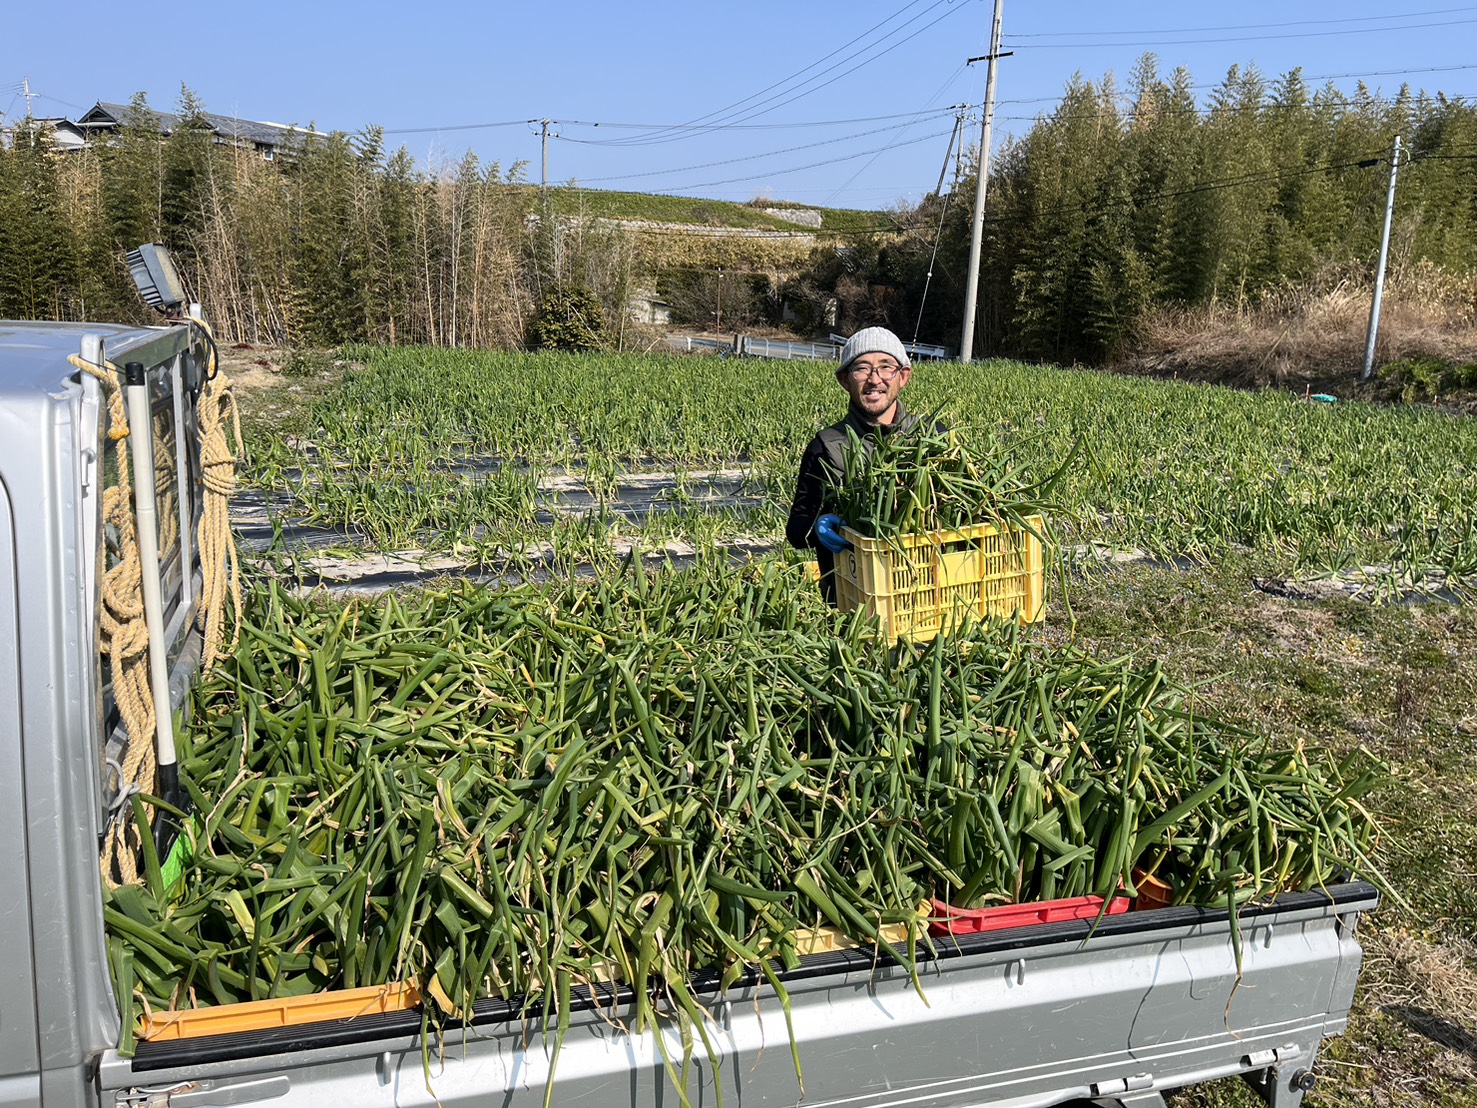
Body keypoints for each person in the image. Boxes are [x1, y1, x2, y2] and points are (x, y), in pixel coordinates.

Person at [786, 326, 932, 604]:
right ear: (844, 379)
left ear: (903, 376)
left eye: (886, 367)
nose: (874, 379)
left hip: (923, 595)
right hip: (851, 603)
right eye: (862, 368)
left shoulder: (930, 437)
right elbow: (796, 529)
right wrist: (818, 527)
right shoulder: (826, 446)